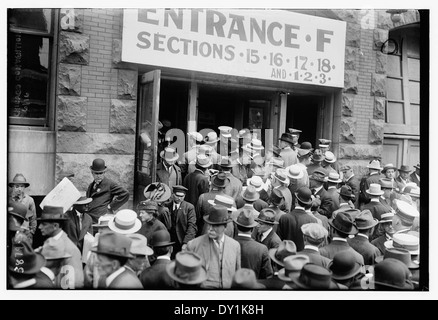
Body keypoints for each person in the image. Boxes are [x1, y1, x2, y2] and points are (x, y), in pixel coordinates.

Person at [186, 205, 241, 289]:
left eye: (216, 225)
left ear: (225, 226)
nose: (210, 229)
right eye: (209, 225)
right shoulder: (193, 245)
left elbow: (237, 275)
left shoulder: (235, 245)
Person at [36, 205, 84, 288]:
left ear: (55, 226)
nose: (39, 227)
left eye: (44, 224)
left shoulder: (70, 249)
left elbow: (74, 284)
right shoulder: (50, 243)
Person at [86, 158, 129, 224]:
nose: (99, 176)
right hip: (91, 219)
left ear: (104, 172)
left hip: (102, 218)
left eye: (101, 173)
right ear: (92, 173)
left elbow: (125, 193)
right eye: (96, 173)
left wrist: (111, 206)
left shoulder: (109, 184)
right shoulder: (91, 185)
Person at [234, 208, 273, 279]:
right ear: (252, 228)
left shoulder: (227, 244)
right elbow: (267, 276)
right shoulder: (262, 249)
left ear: (237, 226)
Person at [277, 186, 318, 251]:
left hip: (286, 255)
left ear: (296, 200)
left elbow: (279, 240)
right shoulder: (313, 221)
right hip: (303, 258)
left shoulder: (284, 218)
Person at [163, 185, 197, 258]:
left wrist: (186, 243)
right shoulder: (166, 206)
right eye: (177, 195)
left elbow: (192, 226)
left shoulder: (189, 207)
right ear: (173, 194)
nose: (179, 198)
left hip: (182, 240)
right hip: (168, 241)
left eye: (182, 196)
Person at [8, 173, 37, 244]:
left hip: (25, 232)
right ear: (12, 186)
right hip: (10, 232)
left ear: (24, 187)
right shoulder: (7, 200)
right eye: (17, 186)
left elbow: (33, 218)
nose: (19, 189)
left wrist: (31, 232)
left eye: (22, 186)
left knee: (25, 252)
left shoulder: (29, 200)